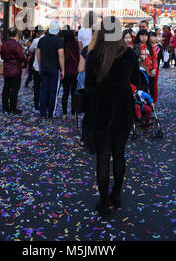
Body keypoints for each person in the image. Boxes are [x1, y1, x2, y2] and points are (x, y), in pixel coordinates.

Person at [83, 16, 140, 217]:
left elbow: (88, 85)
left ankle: (104, 201)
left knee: (103, 156)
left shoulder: (94, 54)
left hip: (100, 109)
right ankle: (116, 194)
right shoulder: (129, 54)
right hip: (122, 107)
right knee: (119, 153)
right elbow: (135, 79)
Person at [37, 21, 65, 119]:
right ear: (57, 30)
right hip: (54, 68)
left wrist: (40, 66)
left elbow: (38, 54)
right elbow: (61, 55)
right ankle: (50, 113)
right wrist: (63, 69)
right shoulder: (59, 41)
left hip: (44, 67)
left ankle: (42, 112)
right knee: (53, 91)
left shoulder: (42, 40)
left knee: (43, 90)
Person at [0, 27, 25, 114]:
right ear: (16, 34)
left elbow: (2, 56)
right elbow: (21, 57)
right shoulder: (16, 45)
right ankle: (13, 107)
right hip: (15, 70)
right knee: (14, 89)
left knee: (6, 88)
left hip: (7, 69)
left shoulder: (5, 44)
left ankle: (5, 107)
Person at [62, 29, 80, 119]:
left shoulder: (63, 45)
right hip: (75, 72)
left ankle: (64, 113)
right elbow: (79, 56)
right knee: (73, 94)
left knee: (65, 93)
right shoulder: (76, 44)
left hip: (65, 72)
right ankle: (73, 114)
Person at [134, 29, 157, 98]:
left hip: (150, 71)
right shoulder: (135, 47)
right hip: (140, 72)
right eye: (142, 36)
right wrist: (139, 58)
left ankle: (150, 103)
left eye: (146, 36)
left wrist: (154, 69)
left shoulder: (151, 47)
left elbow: (155, 59)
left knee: (151, 88)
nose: (144, 38)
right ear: (138, 36)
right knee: (141, 89)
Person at [29, 26, 45, 110]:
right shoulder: (46, 39)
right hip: (45, 66)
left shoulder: (36, 40)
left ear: (37, 33)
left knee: (37, 86)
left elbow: (31, 50)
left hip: (36, 66)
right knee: (44, 86)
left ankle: (36, 104)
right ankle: (44, 103)